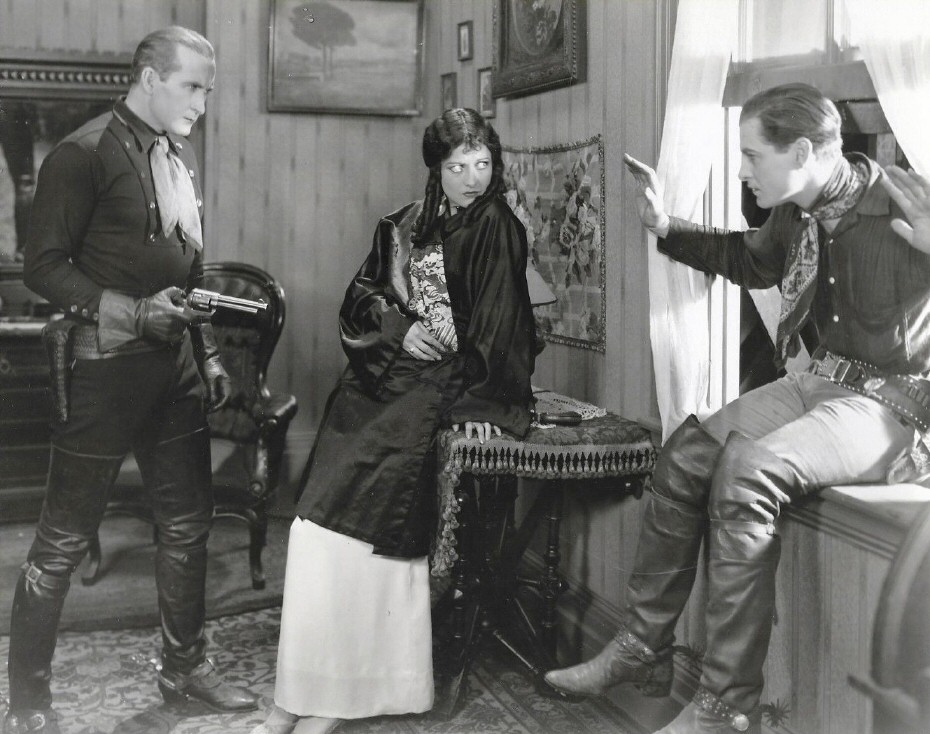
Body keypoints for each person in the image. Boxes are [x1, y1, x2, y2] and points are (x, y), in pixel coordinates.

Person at [544, 82, 930, 734]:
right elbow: (751, 259)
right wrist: (668, 228)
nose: (744, 171)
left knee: (747, 469)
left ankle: (725, 709)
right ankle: (644, 646)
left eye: (753, 156)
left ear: (803, 150)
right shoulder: (796, 214)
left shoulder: (901, 200)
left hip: (890, 406)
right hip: (816, 384)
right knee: (688, 450)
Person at [4, 27, 259, 734]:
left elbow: (187, 272)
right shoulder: (80, 154)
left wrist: (204, 353)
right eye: (192, 87)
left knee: (186, 526)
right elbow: (43, 267)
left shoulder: (174, 159)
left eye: (207, 90)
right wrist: (129, 311)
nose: (203, 104)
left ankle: (184, 671)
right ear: (148, 78)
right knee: (60, 542)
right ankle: (28, 702)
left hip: (174, 371)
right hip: (103, 371)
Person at [250, 108, 536, 734]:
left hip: (441, 390)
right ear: (437, 167)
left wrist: (483, 407)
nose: (471, 177)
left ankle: (341, 698)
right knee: (311, 527)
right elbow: (362, 298)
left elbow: (501, 327)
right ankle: (294, 696)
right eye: (457, 165)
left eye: (483, 163)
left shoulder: (497, 226)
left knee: (356, 532)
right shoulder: (403, 223)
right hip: (379, 382)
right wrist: (400, 331)